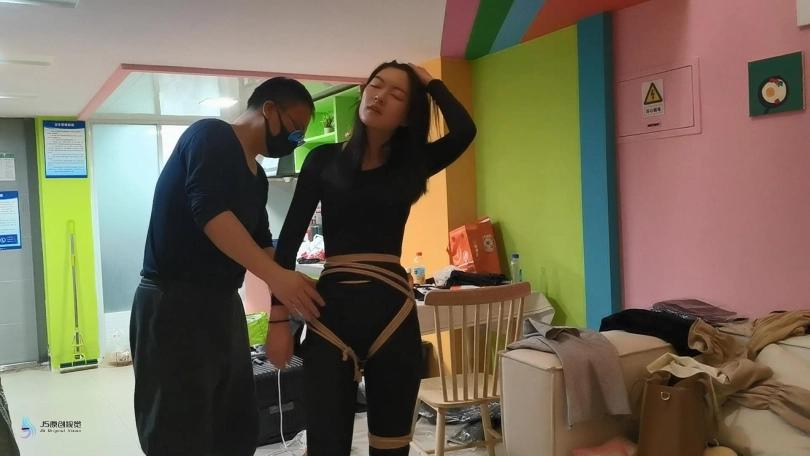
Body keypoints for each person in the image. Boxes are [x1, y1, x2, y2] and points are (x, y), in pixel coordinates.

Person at [268, 62, 476, 456]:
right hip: (330, 319)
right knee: (325, 449)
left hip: (392, 318)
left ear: (407, 115)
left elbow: (464, 130)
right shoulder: (322, 159)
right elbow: (289, 241)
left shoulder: (412, 164)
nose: (379, 96)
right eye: (375, 85)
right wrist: (278, 320)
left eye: (397, 95)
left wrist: (430, 83)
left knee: (391, 449)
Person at [130, 77, 325, 456]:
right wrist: (277, 277)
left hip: (222, 305)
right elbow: (210, 213)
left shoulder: (258, 178)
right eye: (295, 132)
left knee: (235, 427)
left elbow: (263, 245)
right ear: (269, 110)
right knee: (178, 431)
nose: (294, 142)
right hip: (173, 302)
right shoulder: (212, 135)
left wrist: (286, 302)